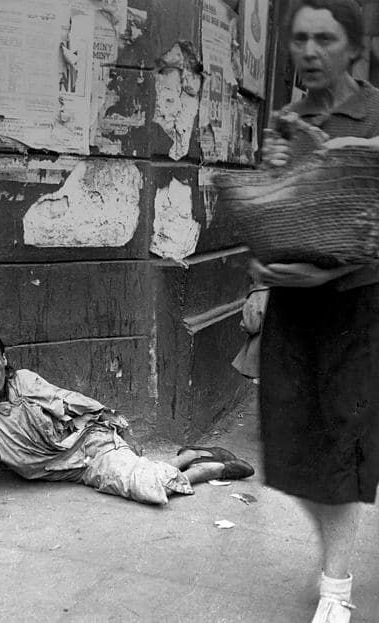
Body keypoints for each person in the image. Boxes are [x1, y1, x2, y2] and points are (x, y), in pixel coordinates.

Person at [252, 1, 379, 621]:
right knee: (286, 449)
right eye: (299, 38)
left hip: (358, 309)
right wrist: (262, 257)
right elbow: (273, 214)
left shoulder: (378, 115)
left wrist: (331, 269)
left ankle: (337, 585)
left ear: (354, 48)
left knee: (337, 446)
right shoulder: (286, 121)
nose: (309, 50)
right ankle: (334, 549)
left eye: (324, 38)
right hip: (292, 310)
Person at [0, 328, 254, 522]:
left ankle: (207, 471)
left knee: (141, 485)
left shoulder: (25, 381)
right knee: (142, 483)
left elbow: (70, 401)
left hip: (89, 443)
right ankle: (187, 459)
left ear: (4, 360)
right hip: (74, 468)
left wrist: (117, 424)